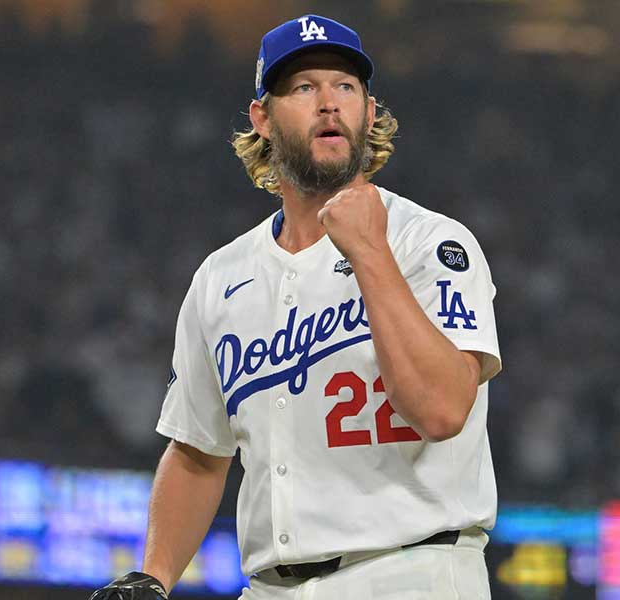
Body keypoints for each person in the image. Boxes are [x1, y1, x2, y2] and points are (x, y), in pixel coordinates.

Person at [90, 13, 501, 600]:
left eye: (345, 87)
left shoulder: (428, 243)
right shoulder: (221, 277)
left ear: (369, 111)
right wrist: (152, 576)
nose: (328, 103)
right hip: (267, 588)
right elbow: (199, 451)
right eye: (304, 88)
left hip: (412, 572)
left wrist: (370, 255)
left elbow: (441, 409)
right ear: (261, 116)